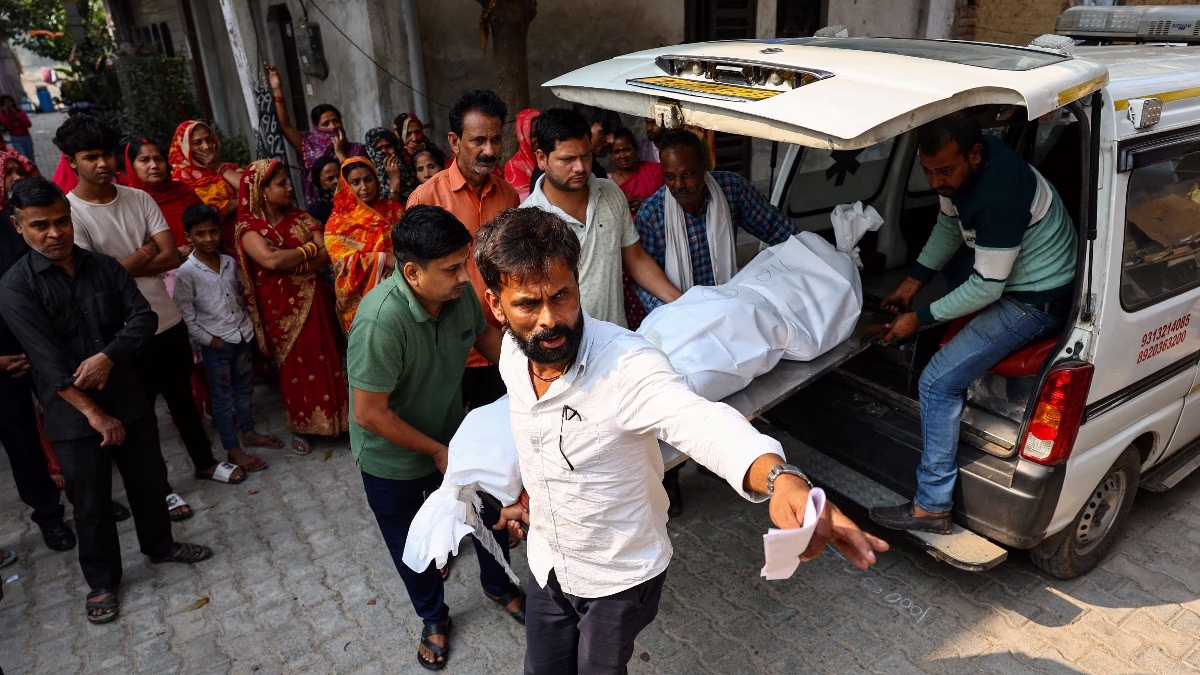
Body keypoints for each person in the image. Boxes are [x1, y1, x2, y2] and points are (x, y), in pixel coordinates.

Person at [475, 207, 888, 674]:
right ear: (496, 305)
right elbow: (534, 432)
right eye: (529, 304)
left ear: (576, 284)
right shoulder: (514, 353)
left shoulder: (626, 367)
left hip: (617, 576)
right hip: (549, 560)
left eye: (562, 295)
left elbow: (701, 423)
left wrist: (782, 479)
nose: (550, 320)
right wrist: (527, 491)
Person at [0, 177, 214, 625]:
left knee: (149, 479)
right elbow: (48, 362)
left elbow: (143, 318)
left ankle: (160, 545)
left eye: (61, 221)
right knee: (91, 500)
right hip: (72, 414)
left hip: (127, 393)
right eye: (41, 225)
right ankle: (102, 581)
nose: (55, 233)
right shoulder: (16, 287)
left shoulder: (105, 267)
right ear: (19, 227)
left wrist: (106, 356)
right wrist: (95, 414)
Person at [869, 112, 1077, 535]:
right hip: (1014, 279)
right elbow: (949, 225)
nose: (934, 181)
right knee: (947, 306)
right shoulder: (959, 175)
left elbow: (987, 289)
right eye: (926, 171)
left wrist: (919, 318)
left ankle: (932, 507)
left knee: (937, 382)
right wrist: (911, 286)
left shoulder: (1000, 192)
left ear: (975, 154)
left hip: (1036, 299)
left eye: (943, 170)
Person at [348, 205, 523, 671]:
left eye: (464, 263)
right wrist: (435, 451)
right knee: (415, 545)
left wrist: (533, 384)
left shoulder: (457, 295)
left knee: (489, 514)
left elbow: (487, 340)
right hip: (392, 460)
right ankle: (433, 616)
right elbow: (368, 413)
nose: (465, 277)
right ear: (412, 272)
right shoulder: (380, 321)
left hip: (453, 439)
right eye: (451, 269)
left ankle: (499, 585)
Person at [56, 115, 249, 520]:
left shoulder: (138, 198)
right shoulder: (71, 214)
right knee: (139, 415)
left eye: (107, 154)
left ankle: (205, 462)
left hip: (166, 317)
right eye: (91, 157)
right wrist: (145, 254)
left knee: (183, 400)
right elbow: (97, 284)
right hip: (120, 333)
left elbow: (173, 254)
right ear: (71, 161)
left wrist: (126, 263)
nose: (103, 164)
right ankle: (158, 488)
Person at [406, 89, 518, 410]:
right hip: (449, 353)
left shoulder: (508, 196)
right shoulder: (426, 199)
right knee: (452, 444)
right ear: (454, 142)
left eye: (495, 140)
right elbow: (413, 282)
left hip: (499, 344)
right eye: (478, 140)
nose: (489, 150)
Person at [521, 108, 682, 329]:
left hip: (616, 339)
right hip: (566, 351)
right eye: (567, 159)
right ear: (541, 158)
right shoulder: (527, 222)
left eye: (586, 156)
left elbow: (636, 259)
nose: (580, 168)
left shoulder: (611, 193)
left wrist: (682, 302)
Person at [234, 159, 350, 455]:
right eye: (281, 183)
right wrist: (308, 252)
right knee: (294, 366)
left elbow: (327, 252)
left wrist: (297, 258)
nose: (289, 187)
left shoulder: (301, 217)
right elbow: (270, 261)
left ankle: (341, 422)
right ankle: (302, 427)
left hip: (314, 299)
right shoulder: (249, 228)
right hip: (279, 309)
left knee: (327, 357)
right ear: (261, 190)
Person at [633, 129, 795, 313]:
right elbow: (645, 285)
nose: (678, 184)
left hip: (730, 306)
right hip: (680, 315)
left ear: (704, 166)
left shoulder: (732, 189)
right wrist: (678, 315)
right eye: (670, 176)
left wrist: (809, 257)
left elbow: (777, 229)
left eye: (687, 174)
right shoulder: (652, 214)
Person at [0, 162, 76, 553]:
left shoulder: (17, 223)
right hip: (4, 363)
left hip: (45, 345)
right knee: (22, 444)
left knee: (71, 424)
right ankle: (49, 516)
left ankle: (88, 499)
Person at [174, 204, 284, 471]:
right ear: (189, 236)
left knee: (244, 390)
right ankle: (233, 449)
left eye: (213, 232)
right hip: (217, 345)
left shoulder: (230, 263)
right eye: (201, 234)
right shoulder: (186, 273)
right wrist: (210, 341)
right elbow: (186, 315)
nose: (209, 239)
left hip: (242, 336)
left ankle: (249, 432)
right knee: (223, 400)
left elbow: (241, 297)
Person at [264, 63, 367, 207]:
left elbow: (361, 179)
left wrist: (341, 153)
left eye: (336, 121)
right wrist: (277, 88)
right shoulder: (308, 145)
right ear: (316, 128)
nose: (333, 127)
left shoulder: (357, 150)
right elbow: (286, 126)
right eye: (326, 124)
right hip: (321, 210)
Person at [325, 157, 406, 331]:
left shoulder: (394, 209)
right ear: (346, 185)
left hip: (403, 291)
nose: (364, 187)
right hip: (363, 303)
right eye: (355, 182)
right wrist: (383, 258)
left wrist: (398, 260)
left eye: (368, 180)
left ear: (376, 180)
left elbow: (415, 242)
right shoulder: (337, 223)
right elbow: (341, 263)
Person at [609, 127, 666, 329]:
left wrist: (648, 203)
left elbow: (670, 202)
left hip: (658, 246)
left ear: (635, 150)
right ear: (612, 155)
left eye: (627, 149)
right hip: (628, 253)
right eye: (617, 151)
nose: (623, 155)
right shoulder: (609, 184)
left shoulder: (655, 171)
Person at [169, 120, 243, 253]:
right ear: (184, 146)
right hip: (215, 248)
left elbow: (254, 189)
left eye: (209, 140)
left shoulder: (227, 168)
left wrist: (217, 167)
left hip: (247, 237)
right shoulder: (179, 179)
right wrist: (243, 200)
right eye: (197, 143)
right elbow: (208, 212)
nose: (207, 146)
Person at [124, 138, 203, 255]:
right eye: (144, 160)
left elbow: (208, 225)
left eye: (158, 159)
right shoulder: (128, 201)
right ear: (132, 166)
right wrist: (176, 254)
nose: (154, 165)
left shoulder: (182, 191)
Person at [393, 112, 447, 203]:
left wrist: (422, 154)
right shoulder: (394, 160)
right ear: (398, 135)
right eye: (408, 134)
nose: (414, 138)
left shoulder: (431, 150)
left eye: (417, 132)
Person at [503, 108, 540, 202]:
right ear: (523, 136)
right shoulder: (513, 167)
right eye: (533, 135)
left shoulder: (551, 157)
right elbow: (526, 205)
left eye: (541, 133)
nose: (539, 139)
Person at [364, 127, 404, 201]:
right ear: (371, 152)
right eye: (378, 149)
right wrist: (394, 180)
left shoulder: (407, 167)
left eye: (388, 146)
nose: (384, 152)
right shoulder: (368, 176)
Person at [0, 95, 34, 162]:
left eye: (9, 102)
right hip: (15, 139)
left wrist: (17, 115)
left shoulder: (20, 112)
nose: (8, 105)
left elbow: (28, 124)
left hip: (26, 137)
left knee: (31, 158)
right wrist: (7, 114)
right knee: (23, 158)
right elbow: (6, 127)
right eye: (5, 103)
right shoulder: (3, 116)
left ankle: (35, 172)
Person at [306, 156, 340, 225]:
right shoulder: (316, 211)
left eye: (339, 176)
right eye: (330, 179)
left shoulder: (355, 200)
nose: (336, 181)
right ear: (319, 183)